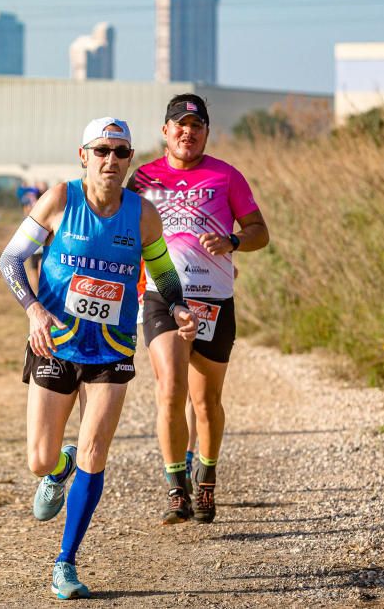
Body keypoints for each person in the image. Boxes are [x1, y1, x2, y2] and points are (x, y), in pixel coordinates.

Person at [0, 117, 196, 599]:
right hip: (56, 344)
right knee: (39, 459)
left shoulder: (143, 214)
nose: (112, 160)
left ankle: (65, 563)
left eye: (121, 152)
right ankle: (57, 468)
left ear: (130, 160)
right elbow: (9, 260)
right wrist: (34, 311)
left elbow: (164, 272)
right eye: (102, 150)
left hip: (111, 349)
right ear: (83, 155)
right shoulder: (60, 200)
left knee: (95, 453)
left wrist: (179, 305)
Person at [127, 94, 269, 525]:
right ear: (166, 131)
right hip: (160, 296)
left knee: (205, 401)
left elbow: (260, 231)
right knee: (170, 388)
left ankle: (205, 481)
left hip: (214, 298)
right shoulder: (143, 178)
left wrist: (234, 242)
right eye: (180, 125)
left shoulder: (227, 177)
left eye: (197, 125)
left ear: (207, 132)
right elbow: (122, 230)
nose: (188, 132)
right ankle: (176, 490)